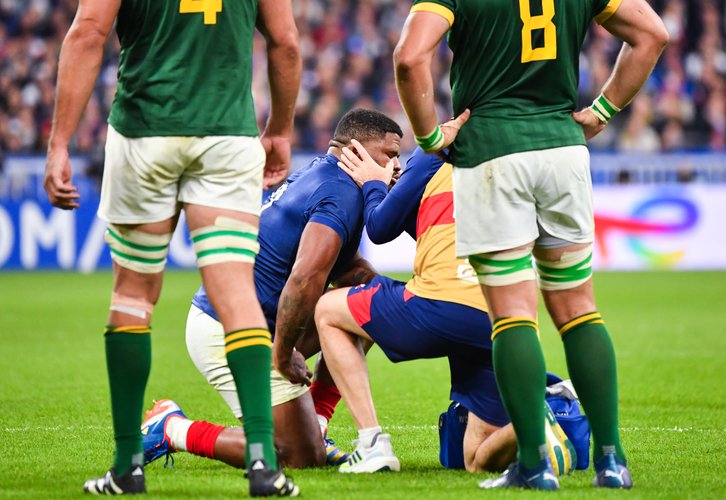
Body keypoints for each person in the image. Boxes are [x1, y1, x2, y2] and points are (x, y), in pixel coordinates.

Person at [393, 0, 668, 490]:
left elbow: (410, 56)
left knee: (513, 315)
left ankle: (535, 465)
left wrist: (430, 136)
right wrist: (603, 109)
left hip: (491, 152)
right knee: (579, 308)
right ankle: (612, 461)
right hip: (562, 149)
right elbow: (652, 34)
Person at [43, 0, 302, 495]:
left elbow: (88, 32)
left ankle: (127, 466)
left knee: (133, 297)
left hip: (146, 132)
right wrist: (282, 130)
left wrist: (59, 144)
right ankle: (263, 464)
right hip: (227, 137)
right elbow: (285, 41)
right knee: (236, 294)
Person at [140, 109, 403, 470]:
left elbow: (352, 271)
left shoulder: (324, 175)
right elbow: (304, 278)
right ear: (355, 150)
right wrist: (283, 354)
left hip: (252, 318)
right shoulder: (340, 192)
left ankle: (318, 424)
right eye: (389, 154)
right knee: (295, 455)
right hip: (227, 329)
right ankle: (171, 428)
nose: (396, 166)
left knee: (371, 302)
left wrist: (402, 300)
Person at [314, 146, 574, 475]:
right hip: (505, 319)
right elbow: (432, 228)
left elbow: (379, 230)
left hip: (440, 305)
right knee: (476, 460)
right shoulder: (521, 156)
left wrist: (374, 184)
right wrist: (399, 193)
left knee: (328, 310)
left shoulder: (435, 151)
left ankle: (371, 444)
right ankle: (536, 423)